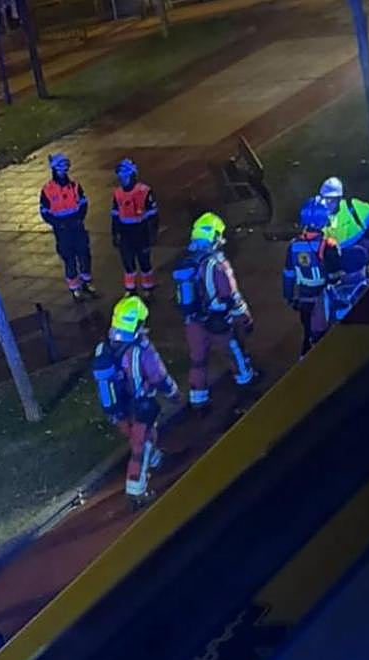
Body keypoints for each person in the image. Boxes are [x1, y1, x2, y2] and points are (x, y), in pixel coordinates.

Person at [93, 296, 180, 506]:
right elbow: (158, 375)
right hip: (140, 406)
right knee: (142, 445)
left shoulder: (103, 348)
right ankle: (136, 491)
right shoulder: (141, 348)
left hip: (116, 410)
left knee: (135, 437)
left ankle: (156, 460)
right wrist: (173, 393)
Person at [172, 212, 257, 409]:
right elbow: (230, 295)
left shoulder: (187, 262)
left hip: (193, 323)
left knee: (198, 361)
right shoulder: (216, 264)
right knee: (233, 350)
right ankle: (246, 381)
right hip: (218, 320)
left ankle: (198, 399)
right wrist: (245, 318)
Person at [318, 177, 369, 319]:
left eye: (331, 199)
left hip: (358, 261)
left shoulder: (352, 207)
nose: (327, 203)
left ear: (339, 198)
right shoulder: (319, 213)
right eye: (325, 199)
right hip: (336, 268)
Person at [283, 198, 343, 359]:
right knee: (327, 334)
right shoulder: (329, 245)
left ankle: (305, 358)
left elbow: (288, 274)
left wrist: (289, 296)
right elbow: (335, 277)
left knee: (308, 331)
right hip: (324, 299)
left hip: (303, 298)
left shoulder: (293, 246)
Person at [40, 153, 99, 302]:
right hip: (62, 230)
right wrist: (57, 223)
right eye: (60, 169)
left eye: (65, 169)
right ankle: (74, 289)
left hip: (77, 227)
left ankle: (87, 282)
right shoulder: (47, 190)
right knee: (69, 259)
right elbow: (45, 212)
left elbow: (83, 203)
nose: (62, 172)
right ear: (54, 170)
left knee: (84, 255)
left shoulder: (75, 186)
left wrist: (79, 218)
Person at [111, 158, 160, 299]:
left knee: (145, 262)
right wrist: (115, 234)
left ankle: (148, 289)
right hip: (125, 232)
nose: (123, 180)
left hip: (141, 231)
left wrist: (152, 233)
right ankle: (130, 290)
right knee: (128, 263)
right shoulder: (118, 193)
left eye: (126, 177)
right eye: (121, 177)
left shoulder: (144, 191)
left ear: (133, 175)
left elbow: (153, 215)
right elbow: (115, 215)